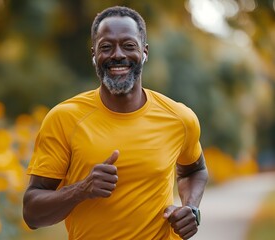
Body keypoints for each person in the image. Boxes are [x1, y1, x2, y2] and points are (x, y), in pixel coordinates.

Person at [23, 5, 209, 240]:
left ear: (144, 52)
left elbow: (195, 170)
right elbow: (32, 214)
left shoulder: (179, 118)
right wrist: (82, 189)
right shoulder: (64, 118)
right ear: (94, 55)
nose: (117, 54)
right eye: (106, 47)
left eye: (129, 45)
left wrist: (190, 208)